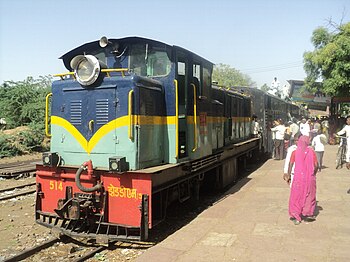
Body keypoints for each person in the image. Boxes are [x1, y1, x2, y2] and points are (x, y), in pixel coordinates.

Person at [286, 135, 318, 225]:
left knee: (296, 196)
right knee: (309, 195)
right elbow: (316, 166)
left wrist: (289, 175)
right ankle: (307, 214)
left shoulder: (295, 152)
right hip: (309, 178)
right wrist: (312, 174)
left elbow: (291, 164)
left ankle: (295, 215)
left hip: (298, 178)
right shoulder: (312, 152)